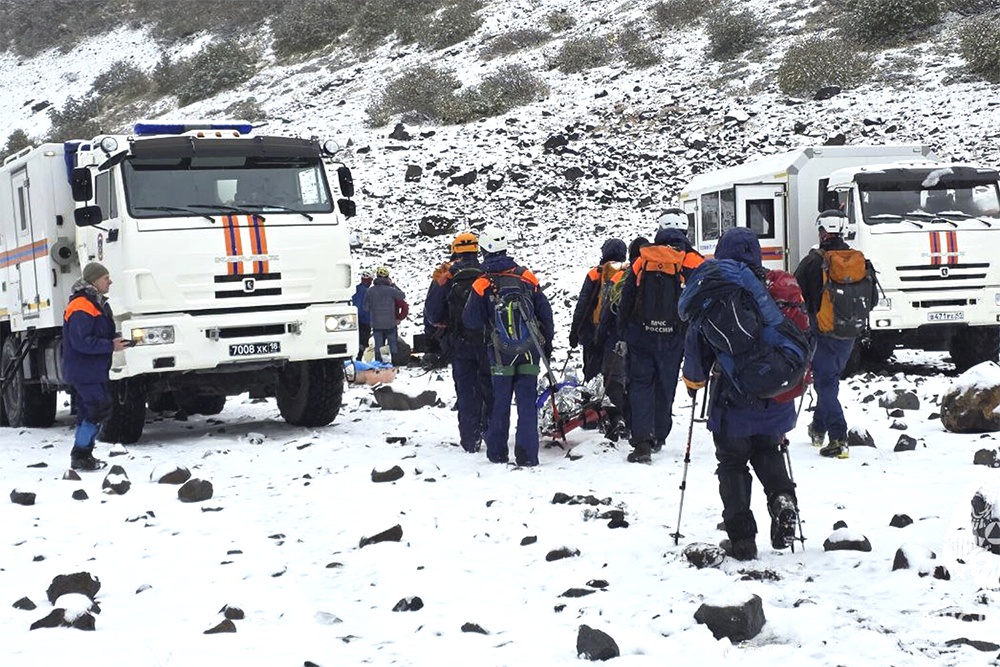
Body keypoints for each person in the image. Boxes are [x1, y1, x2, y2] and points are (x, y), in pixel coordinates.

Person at [681, 227, 798, 561]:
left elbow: (696, 349)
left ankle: (743, 539)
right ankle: (782, 499)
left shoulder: (716, 293)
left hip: (733, 398)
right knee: (769, 450)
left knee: (732, 464)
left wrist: (694, 382)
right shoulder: (775, 288)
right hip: (777, 395)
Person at [463, 226, 554, 467]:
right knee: (527, 404)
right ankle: (527, 456)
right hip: (528, 352)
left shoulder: (482, 283)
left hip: (500, 353)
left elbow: (470, 320)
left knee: (500, 403)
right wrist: (547, 346)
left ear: (484, 250)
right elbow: (546, 314)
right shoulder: (526, 277)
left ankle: (497, 453)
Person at [616, 210, 703, 463]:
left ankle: (642, 441)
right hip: (674, 338)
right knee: (665, 385)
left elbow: (627, 297)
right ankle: (660, 434)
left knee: (641, 384)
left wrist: (623, 331)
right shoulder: (693, 260)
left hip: (641, 336)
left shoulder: (643, 258)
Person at [795, 209, 877, 459]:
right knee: (828, 381)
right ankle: (818, 429)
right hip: (849, 333)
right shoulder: (859, 260)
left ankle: (839, 437)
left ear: (821, 230)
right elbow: (871, 299)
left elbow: (797, 295)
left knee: (825, 383)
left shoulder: (813, 261)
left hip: (821, 332)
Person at [424, 232, 493, 453]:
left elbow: (432, 314)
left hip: (459, 343)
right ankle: (491, 433)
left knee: (466, 391)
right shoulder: (488, 272)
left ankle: (470, 440)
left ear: (454, 250)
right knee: (489, 388)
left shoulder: (445, 275)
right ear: (477, 250)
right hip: (488, 342)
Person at [61, 262, 130, 471]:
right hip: (85, 370)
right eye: (105, 278)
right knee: (97, 408)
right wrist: (110, 345)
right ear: (93, 281)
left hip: (91, 370)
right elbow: (81, 341)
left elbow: (92, 335)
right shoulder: (82, 305)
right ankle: (81, 454)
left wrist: (117, 339)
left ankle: (82, 454)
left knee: (89, 410)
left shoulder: (96, 303)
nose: (110, 281)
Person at [569, 238, 627, 383]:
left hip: (592, 334)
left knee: (591, 375)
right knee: (616, 377)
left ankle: (590, 402)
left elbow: (582, 306)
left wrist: (575, 333)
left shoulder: (595, 273)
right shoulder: (628, 274)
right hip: (616, 334)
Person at [363, 266, 406, 364]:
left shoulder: (370, 291)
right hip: (391, 323)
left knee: (379, 346)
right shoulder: (391, 290)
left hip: (377, 324)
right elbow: (402, 295)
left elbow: (365, 307)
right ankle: (393, 364)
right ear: (387, 277)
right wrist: (393, 285)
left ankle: (380, 364)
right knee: (392, 345)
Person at [352, 270, 373, 361]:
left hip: (353, 320)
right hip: (365, 321)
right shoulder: (369, 292)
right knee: (362, 343)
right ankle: (358, 360)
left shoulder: (354, 289)